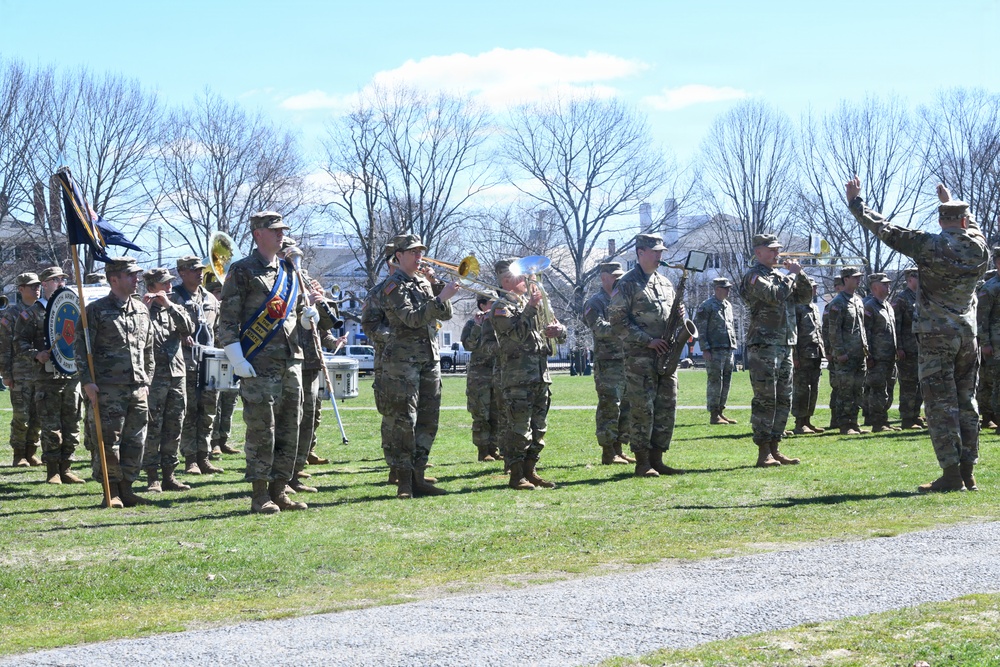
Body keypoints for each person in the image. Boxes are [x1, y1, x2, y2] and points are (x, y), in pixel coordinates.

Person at [846, 177, 989, 492]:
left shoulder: (930, 244)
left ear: (941, 221)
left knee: (940, 404)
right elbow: (973, 227)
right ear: (964, 220)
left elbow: (885, 230)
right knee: (968, 402)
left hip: (936, 337)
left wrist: (856, 203)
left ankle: (951, 474)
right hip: (968, 336)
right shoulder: (980, 249)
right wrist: (952, 200)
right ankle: (968, 471)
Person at [219, 211, 323, 513]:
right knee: (262, 429)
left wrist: (307, 318)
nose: (281, 235)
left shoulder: (290, 271)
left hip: (291, 361)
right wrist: (236, 357)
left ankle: (280, 489)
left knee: (291, 426)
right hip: (258, 362)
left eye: (283, 230)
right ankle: (260, 493)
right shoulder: (242, 271)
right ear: (258, 234)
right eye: (274, 230)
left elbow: (294, 315)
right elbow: (227, 321)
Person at [380, 234, 459, 498]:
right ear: (399, 256)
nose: (419, 257)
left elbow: (445, 314)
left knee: (428, 419)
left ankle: (419, 475)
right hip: (403, 362)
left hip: (429, 358)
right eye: (413, 252)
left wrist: (438, 290)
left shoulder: (423, 282)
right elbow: (411, 319)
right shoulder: (393, 285)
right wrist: (439, 300)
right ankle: (403, 480)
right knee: (405, 419)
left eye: (420, 252)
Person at [77, 257, 154, 508]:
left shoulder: (141, 309)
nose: (137, 280)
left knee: (135, 441)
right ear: (114, 279)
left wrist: (147, 380)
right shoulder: (95, 311)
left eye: (137, 275)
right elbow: (81, 349)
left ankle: (128, 488)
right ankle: (110, 491)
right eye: (131, 275)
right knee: (108, 442)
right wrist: (87, 382)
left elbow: (149, 349)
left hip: (137, 387)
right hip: (108, 388)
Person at [608, 234, 685, 477]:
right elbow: (617, 322)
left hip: (666, 356)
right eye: (655, 251)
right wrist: (647, 341)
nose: (659, 256)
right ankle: (642, 462)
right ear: (640, 252)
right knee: (643, 409)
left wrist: (681, 313)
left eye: (661, 251)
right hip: (640, 357)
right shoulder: (627, 283)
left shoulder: (665, 282)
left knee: (666, 406)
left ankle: (657, 458)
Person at [492, 257, 566, 488]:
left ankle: (531, 470)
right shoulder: (500, 307)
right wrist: (531, 307)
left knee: (538, 428)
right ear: (506, 280)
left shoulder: (533, 303)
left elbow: (556, 328)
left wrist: (559, 331)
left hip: (540, 376)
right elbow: (516, 334)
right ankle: (516, 474)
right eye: (520, 274)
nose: (527, 278)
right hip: (518, 379)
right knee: (518, 429)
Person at [739, 233, 812, 467]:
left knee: (783, 398)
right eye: (771, 250)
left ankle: (776, 447)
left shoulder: (781, 276)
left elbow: (805, 297)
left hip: (784, 344)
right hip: (764, 345)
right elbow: (774, 295)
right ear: (758, 252)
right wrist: (791, 275)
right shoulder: (753, 276)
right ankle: (763, 451)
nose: (776, 254)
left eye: (777, 249)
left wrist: (799, 274)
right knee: (765, 399)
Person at [14, 267, 85, 484]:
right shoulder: (32, 313)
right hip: (47, 377)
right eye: (55, 280)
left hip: (71, 376)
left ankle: (67, 467)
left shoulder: (74, 308)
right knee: (51, 424)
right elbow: (19, 342)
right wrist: (36, 354)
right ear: (44, 284)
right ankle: (53, 470)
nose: (61, 283)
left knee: (72, 424)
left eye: (63, 279)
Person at [140, 267, 195, 493]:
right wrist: (145, 308)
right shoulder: (140, 310)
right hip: (154, 378)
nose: (169, 287)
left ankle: (169, 475)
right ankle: (152, 476)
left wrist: (169, 306)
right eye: (164, 283)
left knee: (174, 426)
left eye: (170, 282)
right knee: (153, 427)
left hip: (177, 375)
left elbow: (189, 327)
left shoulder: (174, 308)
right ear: (151, 287)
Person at [172, 256, 224, 476]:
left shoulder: (210, 298)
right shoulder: (174, 297)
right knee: (190, 412)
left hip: (210, 363)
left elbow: (218, 329)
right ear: (182, 273)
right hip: (187, 363)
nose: (199, 273)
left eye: (200, 269)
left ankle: (204, 456)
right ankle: (190, 459)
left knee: (208, 412)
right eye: (194, 270)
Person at [582, 262, 633, 465]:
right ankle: (608, 451)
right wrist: (623, 327)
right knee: (610, 406)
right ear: (604, 278)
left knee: (627, 406)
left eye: (621, 275)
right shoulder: (594, 303)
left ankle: (619, 448)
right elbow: (599, 328)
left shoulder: (626, 300)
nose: (619, 279)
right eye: (614, 276)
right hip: (608, 363)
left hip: (627, 360)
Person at [2, 273, 42, 467]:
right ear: (21, 289)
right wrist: (6, 374)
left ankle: (31, 451)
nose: (36, 288)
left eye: (38, 285)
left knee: (37, 415)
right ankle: (19, 454)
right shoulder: (11, 314)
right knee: (21, 416)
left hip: (41, 372)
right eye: (31, 286)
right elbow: (4, 346)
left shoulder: (43, 310)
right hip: (20, 373)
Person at [828, 267, 869, 435]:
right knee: (845, 390)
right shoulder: (838, 303)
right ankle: (845, 424)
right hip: (845, 355)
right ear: (845, 279)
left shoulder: (858, 300)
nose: (858, 280)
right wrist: (839, 352)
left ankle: (854, 422)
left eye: (859, 277)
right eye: (855, 277)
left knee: (857, 390)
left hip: (859, 353)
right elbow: (833, 331)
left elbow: (861, 327)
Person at [461, 292, 502, 462]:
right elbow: (469, 345)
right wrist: (478, 326)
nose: (495, 306)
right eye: (491, 303)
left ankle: (495, 448)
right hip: (479, 376)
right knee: (481, 414)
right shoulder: (472, 323)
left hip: (498, 373)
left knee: (497, 413)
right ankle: (483, 450)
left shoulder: (500, 321)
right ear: (482, 305)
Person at [693, 276, 738, 425]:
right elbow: (700, 328)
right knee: (715, 382)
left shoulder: (728, 306)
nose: (729, 290)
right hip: (714, 350)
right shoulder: (706, 306)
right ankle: (714, 414)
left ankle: (720, 411)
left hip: (728, 349)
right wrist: (705, 349)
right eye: (726, 288)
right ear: (718, 289)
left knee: (726, 381)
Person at [206, 276, 241, 456]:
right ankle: (214, 441)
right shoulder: (209, 310)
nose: (222, 296)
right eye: (218, 292)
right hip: (216, 359)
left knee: (230, 400)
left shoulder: (235, 310)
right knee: (216, 401)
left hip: (233, 359)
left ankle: (224, 439)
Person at [863, 273, 899, 433]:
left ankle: (884, 420)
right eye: (884, 284)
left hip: (890, 356)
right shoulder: (870, 306)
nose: (888, 286)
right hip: (877, 357)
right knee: (878, 390)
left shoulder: (888, 306)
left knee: (889, 388)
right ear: (875, 287)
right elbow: (866, 333)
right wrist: (868, 355)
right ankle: (877, 422)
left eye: (888, 284)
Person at [791, 280, 825, 434]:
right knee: (802, 389)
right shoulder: (797, 308)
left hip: (815, 354)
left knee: (814, 389)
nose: (815, 289)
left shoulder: (815, 308)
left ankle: (808, 420)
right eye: (812, 287)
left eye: (815, 287)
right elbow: (793, 333)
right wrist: (795, 356)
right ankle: (799, 422)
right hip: (802, 355)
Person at [892, 268, 924, 430]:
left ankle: (915, 414)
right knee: (908, 385)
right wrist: (899, 347)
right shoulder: (902, 299)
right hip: (907, 349)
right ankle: (906, 418)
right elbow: (896, 325)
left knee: (920, 384)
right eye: (919, 277)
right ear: (910, 279)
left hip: (921, 349)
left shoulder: (922, 297)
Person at [976, 258, 1000, 431]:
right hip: (995, 344)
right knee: (994, 382)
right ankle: (993, 418)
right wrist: (985, 343)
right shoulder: (990, 288)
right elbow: (981, 318)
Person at [821, 276, 844, 430]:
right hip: (836, 354)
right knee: (838, 387)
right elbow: (827, 331)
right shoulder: (832, 306)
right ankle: (836, 419)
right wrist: (829, 352)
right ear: (837, 287)